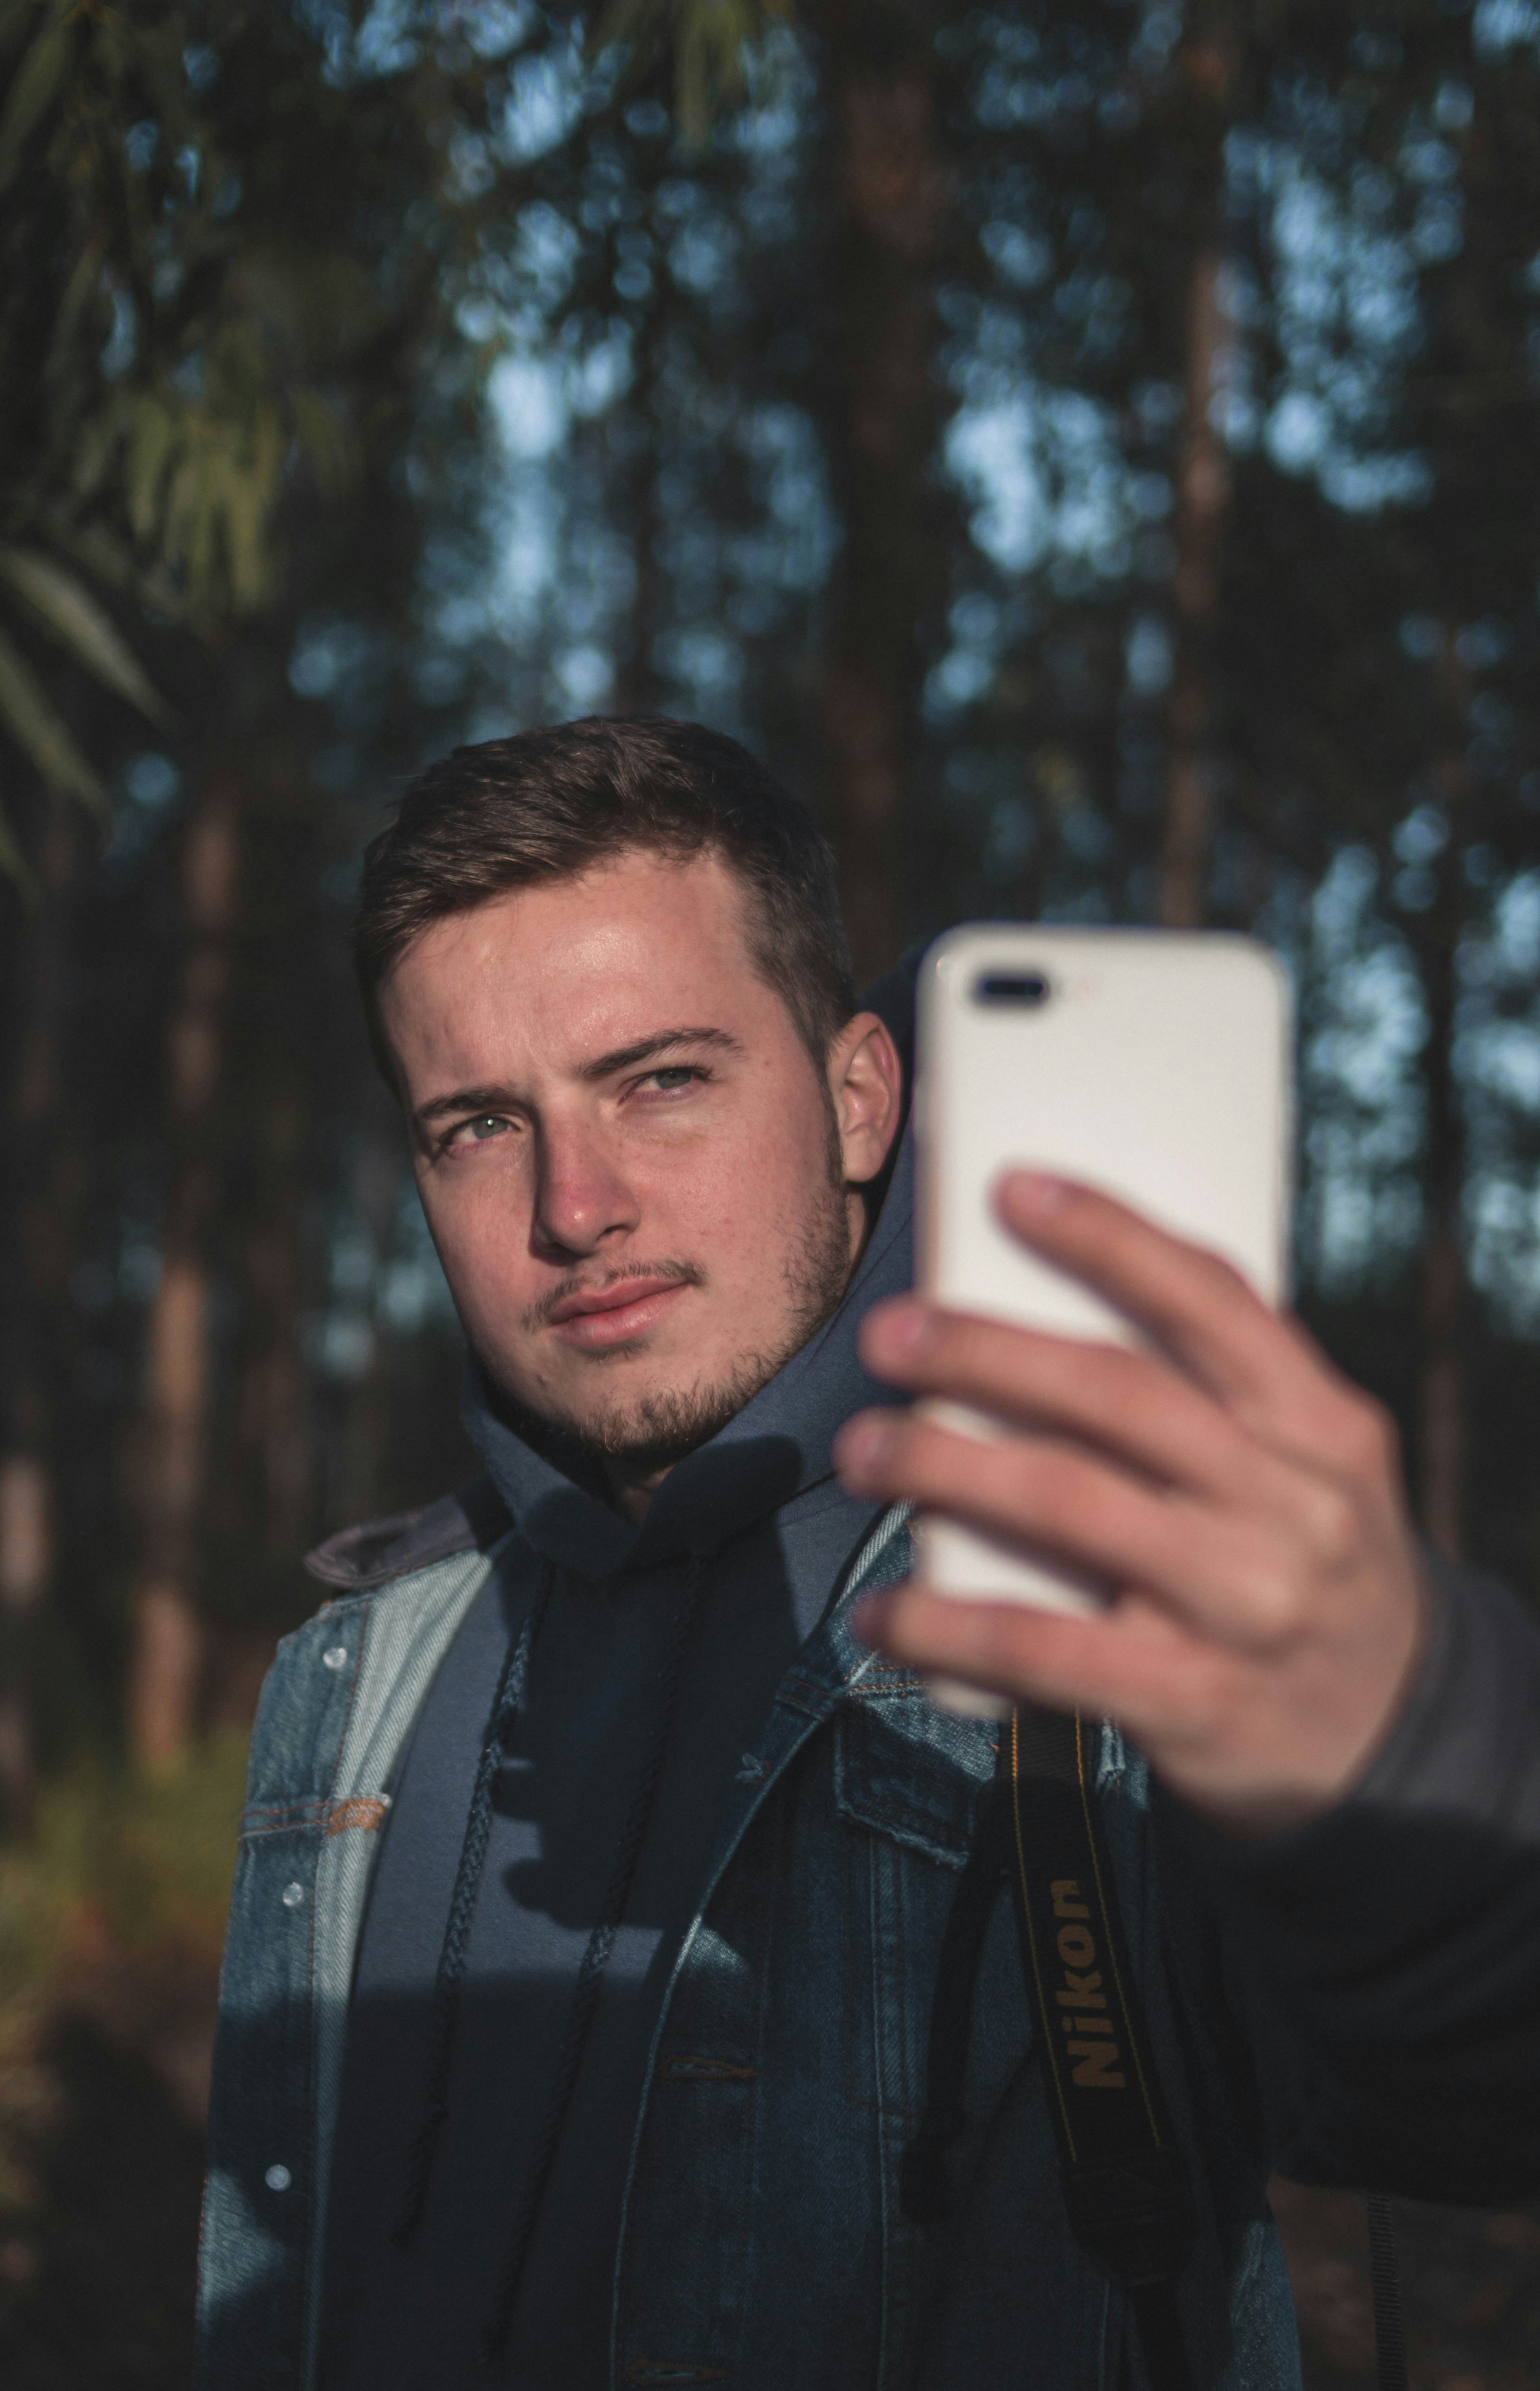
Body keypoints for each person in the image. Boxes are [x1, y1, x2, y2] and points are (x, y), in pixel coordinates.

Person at [195, 716, 1540, 2391]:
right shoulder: (358, 1670)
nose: (575, 1205)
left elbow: (1480, 2095)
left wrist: (1412, 1736)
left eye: (661, 1080)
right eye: (478, 1124)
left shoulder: (1096, 1614)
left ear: (857, 1099)